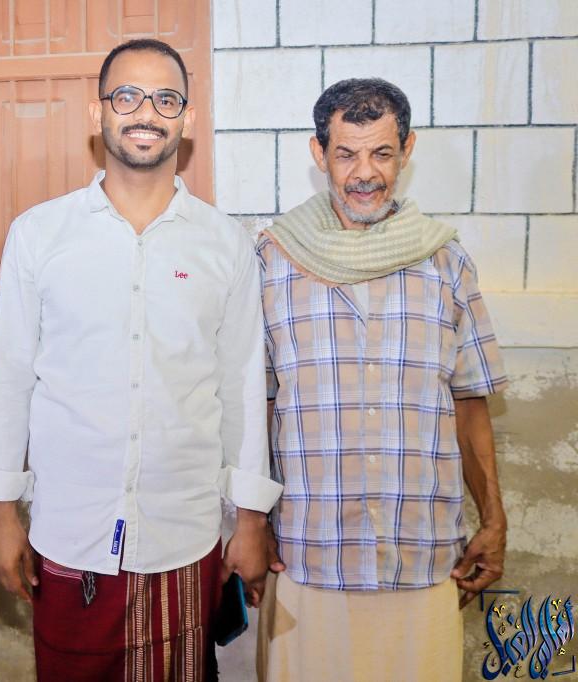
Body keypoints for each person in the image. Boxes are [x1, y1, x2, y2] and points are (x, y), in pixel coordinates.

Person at [0, 39, 282, 680]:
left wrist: (251, 518)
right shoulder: (40, 234)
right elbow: (10, 381)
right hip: (71, 533)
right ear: (98, 113)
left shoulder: (224, 243)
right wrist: (0, 512)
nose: (147, 112)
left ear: (187, 119)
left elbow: (240, 385)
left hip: (184, 533)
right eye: (128, 97)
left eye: (166, 99)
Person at [256, 78, 508, 682]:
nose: (364, 173)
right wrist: (250, 522)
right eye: (346, 154)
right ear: (319, 154)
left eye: (382, 153)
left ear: (407, 151)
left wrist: (494, 519)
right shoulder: (271, 259)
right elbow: (255, 405)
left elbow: (469, 403)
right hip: (307, 554)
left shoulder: (446, 261)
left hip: (422, 554)